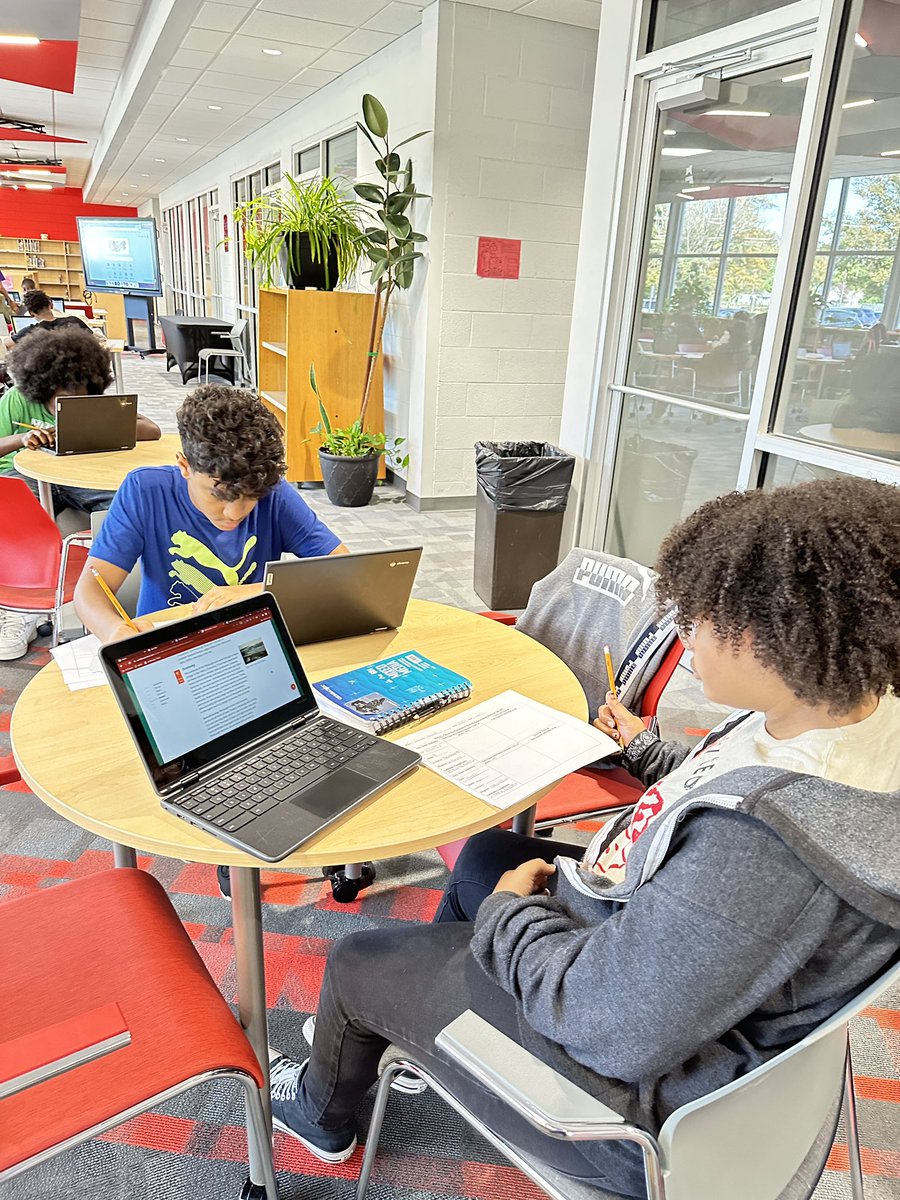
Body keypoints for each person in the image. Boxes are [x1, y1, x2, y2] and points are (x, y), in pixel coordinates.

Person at [262, 477, 900, 1197]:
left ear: (772, 637)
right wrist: (650, 755)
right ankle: (407, 1031)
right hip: (671, 970)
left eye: (702, 618)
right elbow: (728, 782)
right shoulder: (845, 714)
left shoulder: (764, 853)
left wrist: (508, 919)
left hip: (634, 1105)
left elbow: (606, 1025)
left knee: (358, 960)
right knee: (489, 856)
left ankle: (324, 1112)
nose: (687, 639)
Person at [73, 385, 348, 893]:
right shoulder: (146, 490)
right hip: (174, 660)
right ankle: (236, 842)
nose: (236, 512)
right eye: (220, 494)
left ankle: (318, 829)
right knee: (217, 757)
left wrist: (253, 591)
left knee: (312, 728)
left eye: (252, 498)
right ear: (184, 464)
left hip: (257, 649)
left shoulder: (271, 491)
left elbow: (338, 569)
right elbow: (90, 588)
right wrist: (119, 636)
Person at [0, 329, 161, 662]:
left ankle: (115, 596)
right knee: (23, 520)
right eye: (62, 401)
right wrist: (23, 439)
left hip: (79, 478)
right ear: (41, 388)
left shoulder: (92, 398)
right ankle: (23, 611)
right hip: (24, 474)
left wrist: (106, 424)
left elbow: (152, 431)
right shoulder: (16, 399)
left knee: (124, 511)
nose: (72, 405)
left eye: (81, 398)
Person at [2, 288, 91, 350]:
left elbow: (5, 344)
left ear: (31, 313)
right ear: (51, 305)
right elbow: (94, 341)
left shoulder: (30, 332)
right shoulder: (75, 321)